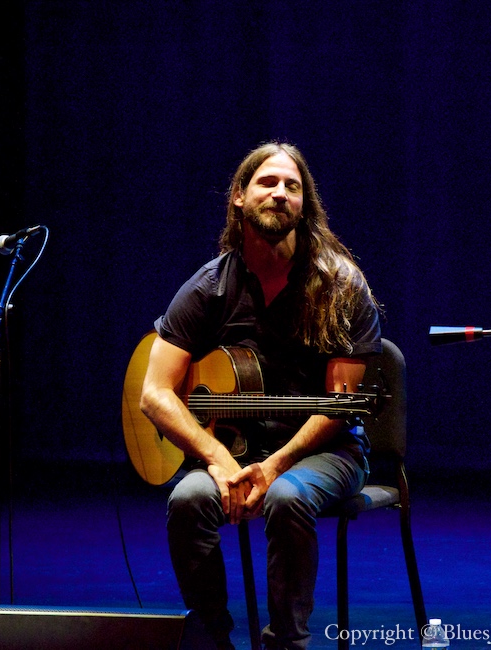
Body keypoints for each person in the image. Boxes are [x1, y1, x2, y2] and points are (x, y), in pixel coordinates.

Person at [139, 141, 382, 650]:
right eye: (267, 183)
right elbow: (154, 394)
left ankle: (286, 643)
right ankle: (212, 639)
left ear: (304, 204)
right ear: (238, 197)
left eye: (292, 187)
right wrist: (218, 459)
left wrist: (273, 469)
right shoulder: (210, 286)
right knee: (187, 500)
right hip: (234, 449)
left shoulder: (340, 285)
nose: (280, 194)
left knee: (288, 498)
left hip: (325, 449)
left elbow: (340, 409)